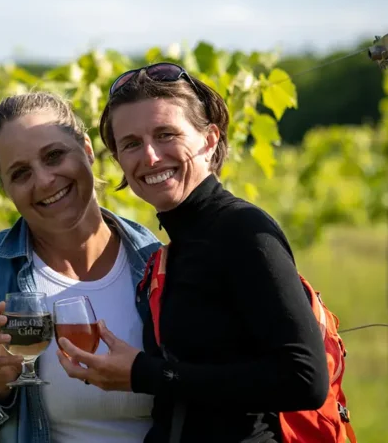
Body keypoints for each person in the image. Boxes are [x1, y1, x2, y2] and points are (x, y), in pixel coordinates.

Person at [55, 63, 330, 442]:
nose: (150, 156)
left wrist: (142, 374)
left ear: (210, 139)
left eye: (166, 134)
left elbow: (305, 380)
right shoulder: (173, 249)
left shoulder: (244, 232)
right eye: (131, 143)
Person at [0, 91, 162, 443]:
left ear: (88, 150)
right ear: (5, 189)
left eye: (54, 155)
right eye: (20, 174)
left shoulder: (158, 259)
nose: (45, 180)